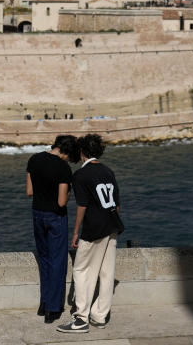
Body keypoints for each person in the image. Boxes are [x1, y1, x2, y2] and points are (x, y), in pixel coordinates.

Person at [57, 134, 123, 335]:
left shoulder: (80, 176)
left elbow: (82, 205)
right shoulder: (108, 171)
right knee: (106, 273)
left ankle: (81, 318)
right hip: (112, 226)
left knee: (82, 271)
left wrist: (76, 232)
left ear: (82, 152)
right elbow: (116, 204)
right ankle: (100, 316)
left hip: (94, 228)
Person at [26, 134, 78, 324]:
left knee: (45, 260)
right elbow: (62, 201)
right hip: (56, 217)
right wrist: (70, 190)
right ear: (67, 152)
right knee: (58, 261)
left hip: (37, 214)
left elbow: (29, 191)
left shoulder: (34, 159)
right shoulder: (63, 168)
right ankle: (53, 309)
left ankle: (43, 303)